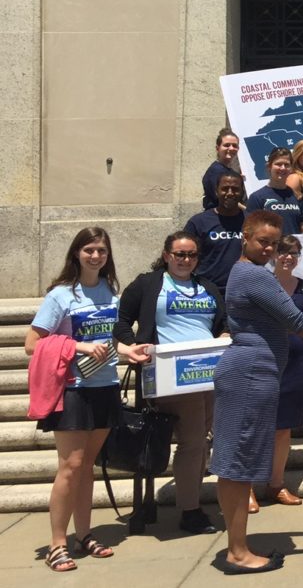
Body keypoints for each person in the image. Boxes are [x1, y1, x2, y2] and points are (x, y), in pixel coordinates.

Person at [209, 211, 303, 574]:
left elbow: (282, 315)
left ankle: (237, 546)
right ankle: (238, 553)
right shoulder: (251, 273)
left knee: (235, 463)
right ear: (245, 237)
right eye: (263, 241)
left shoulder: (250, 273)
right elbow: (293, 320)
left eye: (275, 244)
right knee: (238, 464)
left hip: (251, 373)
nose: (269, 249)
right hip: (249, 374)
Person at [114, 231, 226, 535]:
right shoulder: (149, 284)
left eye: (191, 255)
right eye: (179, 254)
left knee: (200, 441)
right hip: (172, 375)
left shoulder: (207, 287)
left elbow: (224, 321)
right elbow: (121, 321)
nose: (185, 260)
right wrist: (133, 346)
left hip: (210, 373)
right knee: (192, 442)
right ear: (166, 255)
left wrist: (226, 335)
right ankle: (190, 511)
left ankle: (191, 499)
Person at [26, 227, 122, 572]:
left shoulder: (111, 293)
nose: (96, 256)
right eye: (89, 250)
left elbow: (109, 341)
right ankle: (57, 544)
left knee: (87, 468)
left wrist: (132, 350)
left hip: (106, 386)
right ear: (76, 253)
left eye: (101, 251)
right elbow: (32, 343)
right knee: (70, 467)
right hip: (73, 389)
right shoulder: (62, 295)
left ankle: (84, 534)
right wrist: (77, 346)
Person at [256, 234, 303, 510]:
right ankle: (246, 488)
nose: (288, 257)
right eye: (283, 252)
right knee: (257, 428)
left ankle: (276, 485)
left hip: (295, 365)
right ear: (273, 254)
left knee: (283, 431)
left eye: (293, 253)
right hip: (264, 363)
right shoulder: (260, 284)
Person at [185, 172, 246, 291]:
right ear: (216, 191)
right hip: (207, 292)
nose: (230, 193)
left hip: (243, 292)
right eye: (224, 189)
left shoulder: (252, 222)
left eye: (235, 189)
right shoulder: (198, 222)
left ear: (242, 192)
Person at [246, 147, 303, 236]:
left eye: (286, 164)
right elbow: (251, 231)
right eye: (278, 164)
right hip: (270, 249)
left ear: (291, 168)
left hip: (294, 249)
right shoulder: (257, 198)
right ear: (269, 167)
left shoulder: (299, 197)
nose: (283, 168)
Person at [202, 128, 243, 210]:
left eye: (235, 146)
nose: (231, 148)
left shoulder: (229, 171)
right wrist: (248, 210)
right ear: (217, 148)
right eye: (227, 145)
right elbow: (224, 199)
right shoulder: (216, 171)